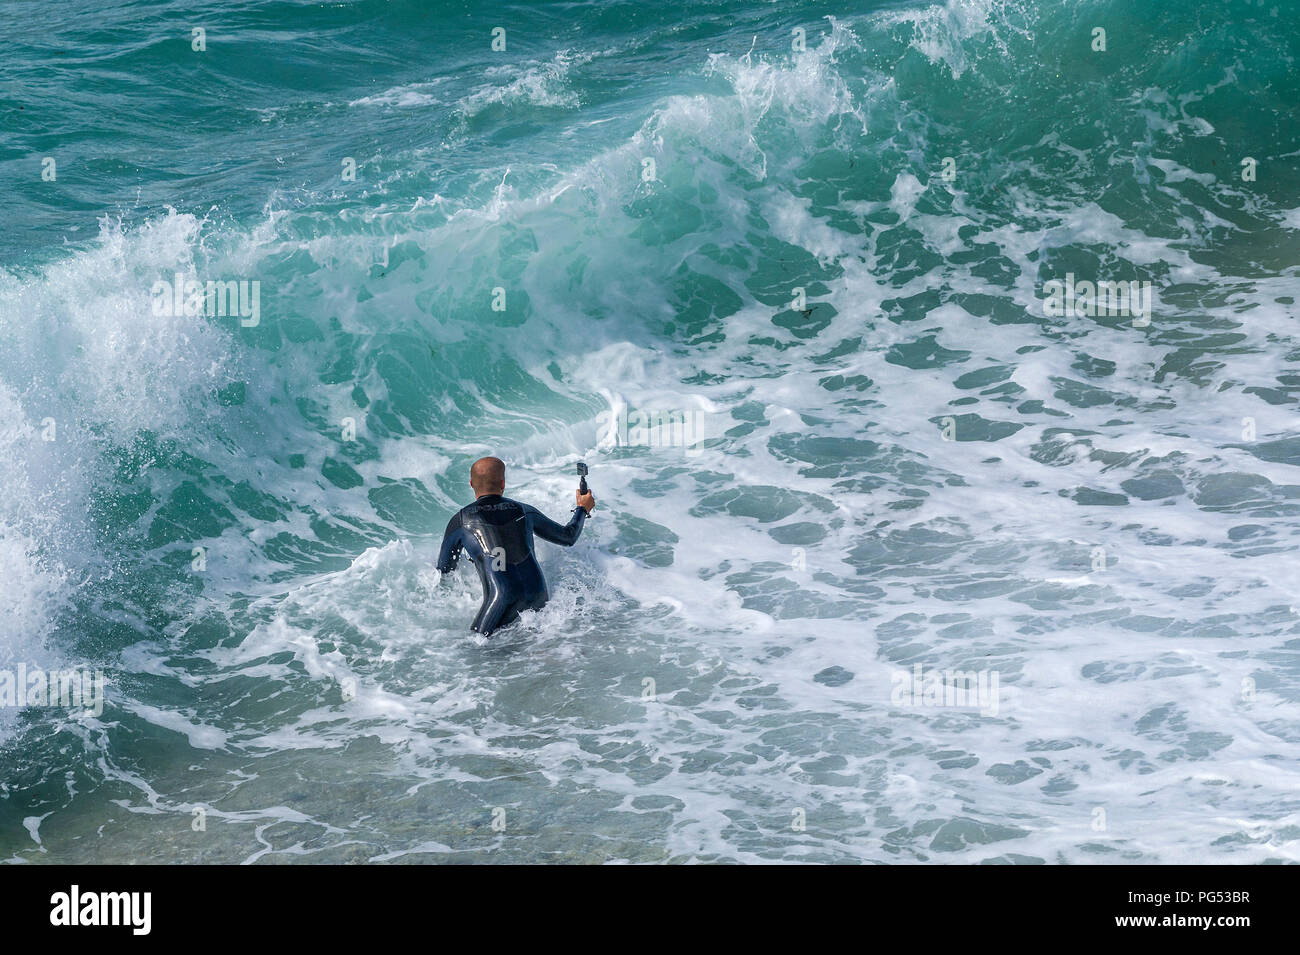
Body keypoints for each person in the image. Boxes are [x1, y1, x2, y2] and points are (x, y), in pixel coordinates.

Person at [436, 456, 595, 636]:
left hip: (501, 599)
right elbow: (568, 537)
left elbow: (444, 572)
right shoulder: (524, 510)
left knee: (476, 652)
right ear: (503, 484)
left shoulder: (461, 521)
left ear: (471, 484)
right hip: (538, 594)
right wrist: (582, 508)